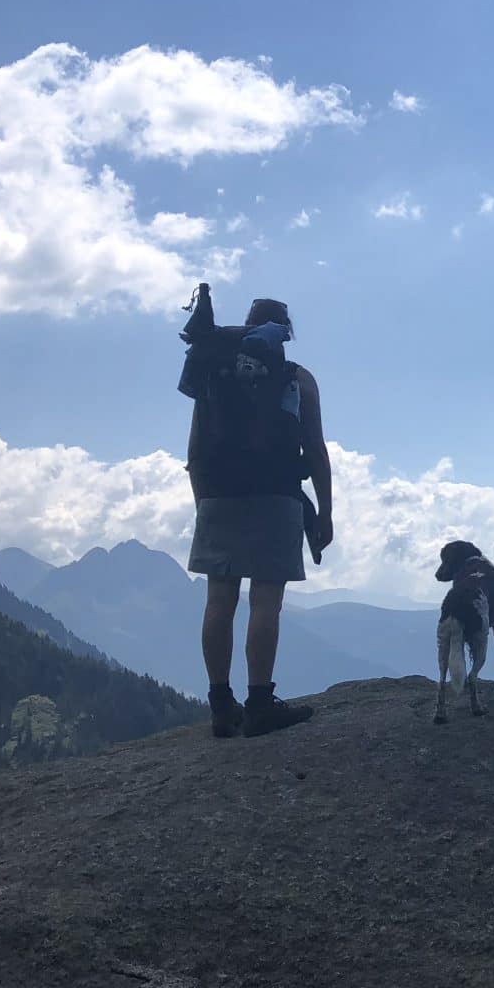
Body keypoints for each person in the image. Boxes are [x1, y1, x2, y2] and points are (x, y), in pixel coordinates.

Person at [185, 297, 333, 737]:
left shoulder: (213, 372)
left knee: (219, 600)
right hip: (278, 496)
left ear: (246, 328)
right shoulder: (296, 379)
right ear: (284, 333)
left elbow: (195, 450)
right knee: (266, 601)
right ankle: (259, 704)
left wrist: (203, 505)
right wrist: (325, 512)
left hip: (218, 495)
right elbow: (316, 450)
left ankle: (220, 704)